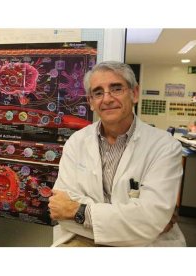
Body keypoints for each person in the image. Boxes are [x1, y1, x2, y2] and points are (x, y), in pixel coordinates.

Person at [48, 61, 186, 246]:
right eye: (98, 92)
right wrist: (134, 219)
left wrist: (79, 211)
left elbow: (150, 221)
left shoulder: (165, 146)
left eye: (116, 89)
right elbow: (60, 209)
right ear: (90, 102)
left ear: (134, 94)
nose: (107, 99)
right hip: (82, 240)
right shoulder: (76, 142)